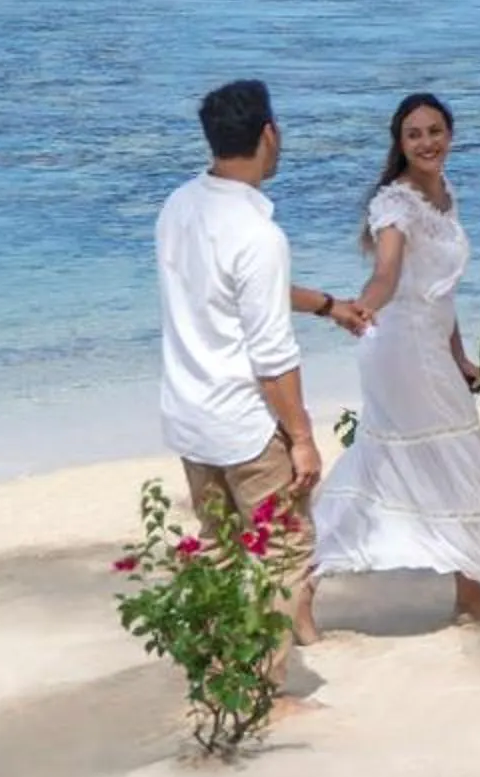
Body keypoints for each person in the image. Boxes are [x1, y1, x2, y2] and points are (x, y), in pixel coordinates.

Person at [155, 78, 368, 667]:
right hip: (245, 424)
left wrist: (327, 305)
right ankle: (266, 688)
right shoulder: (259, 234)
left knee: (221, 553)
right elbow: (272, 356)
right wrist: (301, 438)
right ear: (269, 134)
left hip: (189, 415)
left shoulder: (178, 206)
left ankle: (223, 668)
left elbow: (230, 294)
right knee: (285, 551)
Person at [310, 92, 480, 626]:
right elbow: (386, 274)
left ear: (449, 134)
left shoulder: (445, 194)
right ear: (400, 144)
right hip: (398, 346)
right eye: (414, 134)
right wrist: (363, 307)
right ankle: (303, 580)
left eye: (434, 130)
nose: (426, 142)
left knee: (460, 462)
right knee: (406, 460)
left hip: (431, 344)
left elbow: (441, 292)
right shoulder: (396, 204)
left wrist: (460, 357)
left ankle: (469, 593)